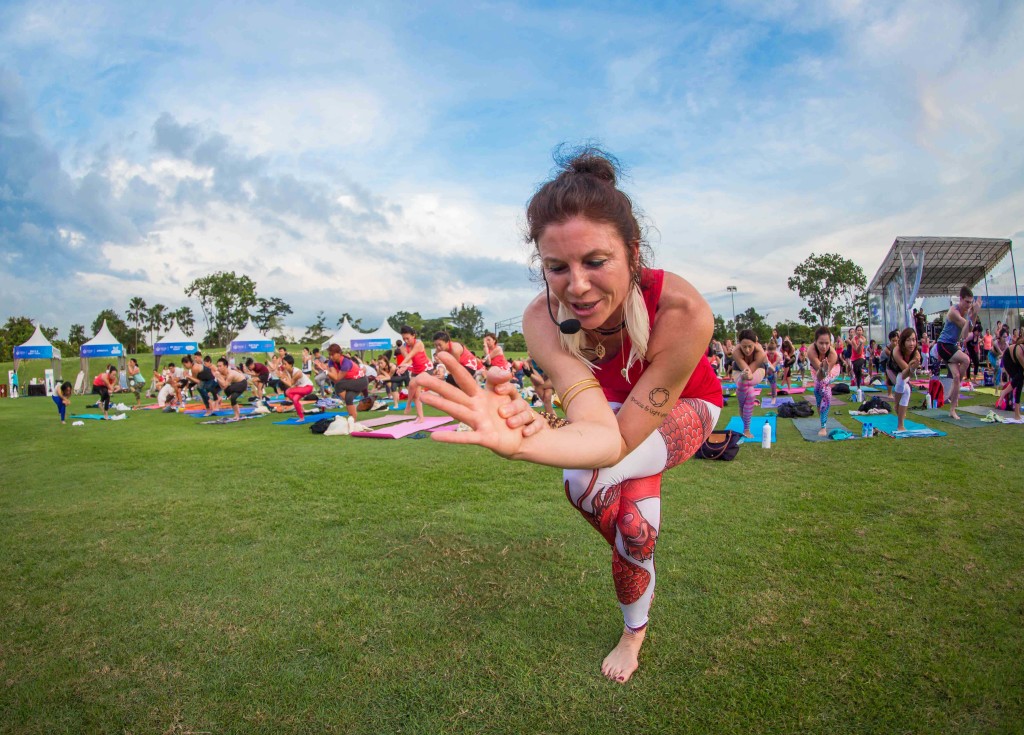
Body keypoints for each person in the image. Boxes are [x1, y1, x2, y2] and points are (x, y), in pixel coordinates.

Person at [416, 149, 722, 683]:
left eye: (595, 261)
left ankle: (633, 625)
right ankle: (636, 591)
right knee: (631, 524)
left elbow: (616, 443)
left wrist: (535, 443)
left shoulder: (682, 311)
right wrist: (527, 437)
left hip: (686, 405)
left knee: (590, 480)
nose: (576, 286)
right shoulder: (542, 317)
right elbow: (594, 422)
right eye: (557, 267)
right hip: (610, 411)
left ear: (632, 253)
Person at [935, 286, 982, 420]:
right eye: (967, 302)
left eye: (970, 302)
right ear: (960, 299)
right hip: (944, 345)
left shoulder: (966, 313)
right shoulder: (953, 312)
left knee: (956, 377)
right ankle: (955, 389)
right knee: (966, 360)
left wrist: (973, 314)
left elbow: (966, 333)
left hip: (952, 346)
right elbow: (967, 329)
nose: (968, 305)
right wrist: (974, 314)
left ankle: (952, 409)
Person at [731, 330, 766, 438]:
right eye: (744, 346)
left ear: (755, 343)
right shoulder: (736, 352)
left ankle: (746, 428)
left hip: (758, 370)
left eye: (750, 346)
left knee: (746, 385)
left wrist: (749, 375)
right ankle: (746, 429)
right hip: (739, 372)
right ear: (739, 344)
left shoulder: (760, 353)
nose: (747, 350)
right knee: (750, 395)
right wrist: (747, 374)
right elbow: (745, 370)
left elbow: (750, 373)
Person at [807, 327, 839, 436]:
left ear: (831, 343)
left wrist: (825, 368)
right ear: (815, 342)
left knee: (825, 390)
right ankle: (822, 423)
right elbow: (819, 374)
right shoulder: (811, 351)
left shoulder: (833, 354)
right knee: (818, 390)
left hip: (833, 369)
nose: (824, 347)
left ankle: (823, 426)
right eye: (821, 343)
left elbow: (825, 375)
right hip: (816, 369)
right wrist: (822, 368)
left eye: (827, 343)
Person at [327, 343, 370, 422]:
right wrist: (328, 373)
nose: (331, 357)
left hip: (361, 381)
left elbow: (337, 379)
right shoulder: (331, 362)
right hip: (351, 381)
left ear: (339, 353)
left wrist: (326, 372)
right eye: (330, 355)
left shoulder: (346, 363)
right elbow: (334, 376)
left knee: (338, 385)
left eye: (332, 354)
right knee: (348, 397)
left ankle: (352, 412)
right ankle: (353, 420)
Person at [891, 328, 921, 432]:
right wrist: (911, 368)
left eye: (913, 340)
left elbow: (909, 374)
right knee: (900, 380)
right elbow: (904, 372)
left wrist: (912, 368)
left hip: (903, 374)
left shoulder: (916, 355)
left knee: (907, 390)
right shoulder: (897, 350)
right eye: (908, 340)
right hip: (892, 371)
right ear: (903, 341)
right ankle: (896, 405)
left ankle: (900, 425)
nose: (911, 343)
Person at [396, 326, 429, 419]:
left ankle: (408, 404)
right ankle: (421, 417)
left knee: (412, 384)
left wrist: (401, 365)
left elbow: (411, 355)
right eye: (403, 339)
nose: (406, 341)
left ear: (413, 335)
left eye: (407, 338)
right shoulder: (402, 347)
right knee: (416, 394)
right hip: (416, 370)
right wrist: (404, 367)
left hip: (426, 369)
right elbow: (410, 361)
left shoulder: (419, 343)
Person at [278, 354, 314, 420]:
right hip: (300, 388)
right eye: (283, 364)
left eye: (285, 364)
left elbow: (290, 384)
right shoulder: (287, 372)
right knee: (295, 399)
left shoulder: (297, 372)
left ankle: (299, 406)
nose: (283, 366)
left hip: (308, 387)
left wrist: (281, 378)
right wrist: (283, 377)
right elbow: (290, 384)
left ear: (290, 364)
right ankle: (301, 417)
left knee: (288, 391)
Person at [1001, 330, 1024, 421]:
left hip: (1015, 360)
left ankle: (1017, 412)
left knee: (1020, 381)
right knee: (1019, 378)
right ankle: (1004, 392)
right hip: (1008, 359)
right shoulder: (1020, 351)